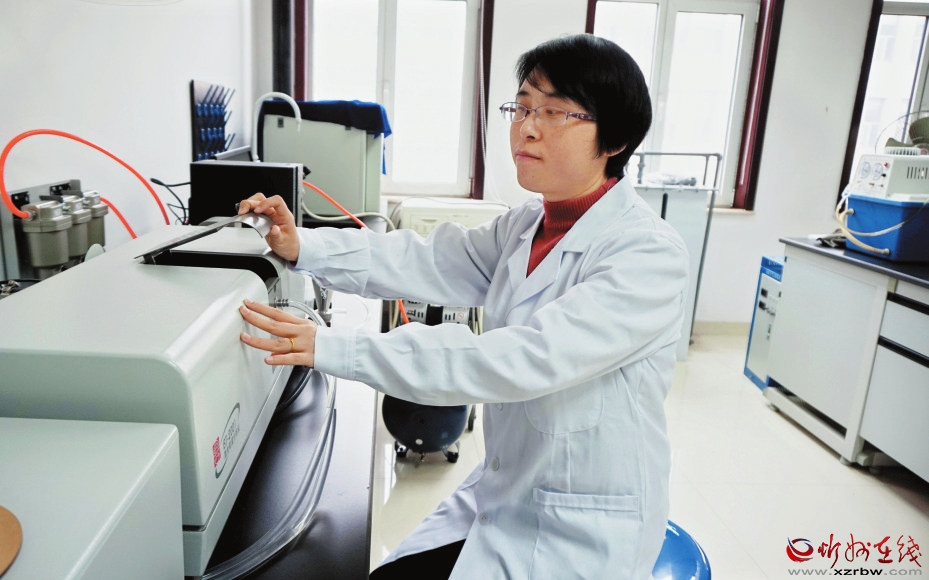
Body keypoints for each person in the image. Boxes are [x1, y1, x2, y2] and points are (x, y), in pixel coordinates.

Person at [236, 33, 689, 580]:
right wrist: (303, 245)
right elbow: (426, 261)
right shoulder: (527, 224)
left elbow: (518, 359)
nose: (526, 127)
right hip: (507, 495)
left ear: (614, 137)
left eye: (553, 111)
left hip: (582, 528)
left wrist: (335, 348)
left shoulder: (647, 254)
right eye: (522, 107)